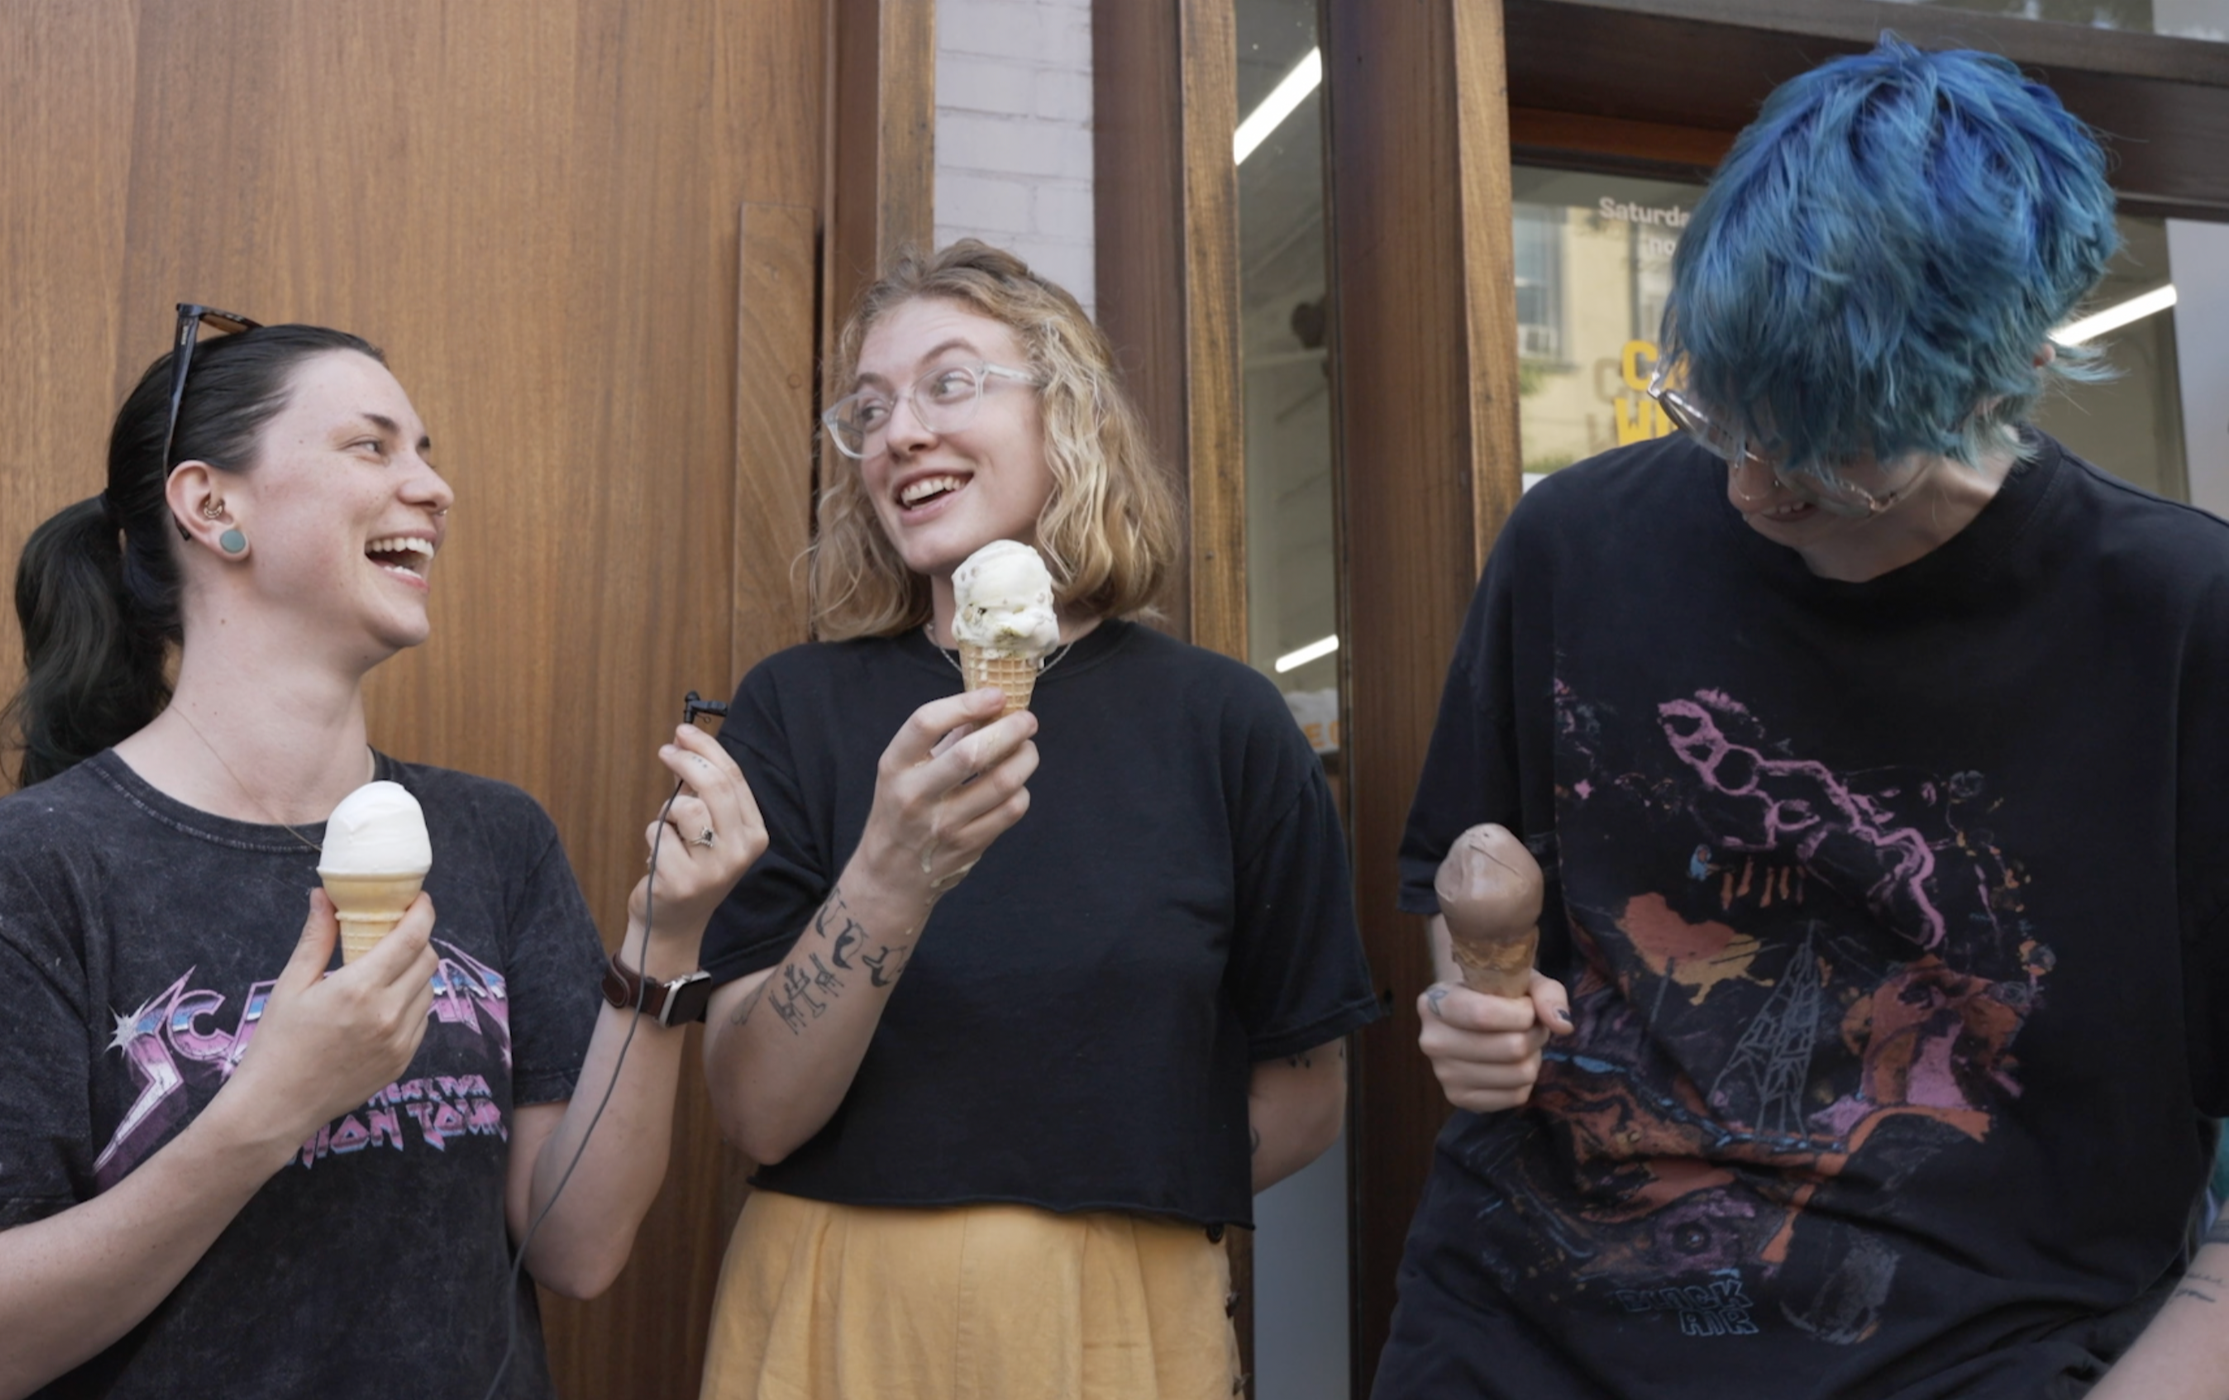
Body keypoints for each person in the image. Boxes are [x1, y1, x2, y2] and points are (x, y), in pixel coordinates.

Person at [1376, 37, 2229, 1399]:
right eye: (1722, 413)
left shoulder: (2181, 616)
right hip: (1522, 1335)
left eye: (1833, 453)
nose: (1755, 487)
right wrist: (1472, 1017)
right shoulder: (1574, 541)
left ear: (1997, 378)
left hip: (1970, 1353)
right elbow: (1467, 880)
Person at [0, 311, 766, 1398]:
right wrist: (270, 1106)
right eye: (371, 446)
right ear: (211, 505)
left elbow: (579, 1246)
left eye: (426, 452)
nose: (434, 488)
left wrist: (662, 943)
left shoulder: (495, 837)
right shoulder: (30, 871)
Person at [694, 240, 1383, 1398]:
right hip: (833, 1306)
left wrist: (1116, 1218)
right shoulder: (793, 709)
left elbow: (1308, 1093)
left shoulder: (1224, 723)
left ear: (1066, 413)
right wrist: (888, 874)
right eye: (870, 408)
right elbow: (755, 1109)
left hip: (1122, 1314)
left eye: (949, 382)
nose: (900, 431)